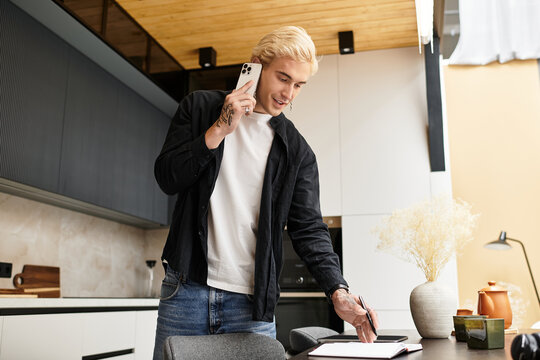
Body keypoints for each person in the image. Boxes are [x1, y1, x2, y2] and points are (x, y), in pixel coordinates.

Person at [153, 26, 379, 359]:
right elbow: (167, 177)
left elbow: (309, 229)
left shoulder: (297, 152)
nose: (289, 94)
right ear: (257, 64)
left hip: (250, 304)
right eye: (283, 78)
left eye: (299, 85)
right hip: (185, 291)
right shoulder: (200, 108)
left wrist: (338, 290)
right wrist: (219, 129)